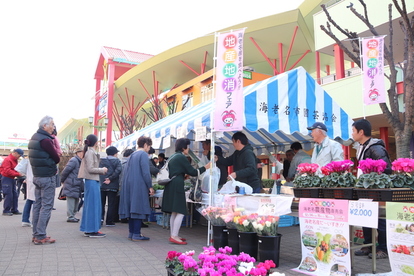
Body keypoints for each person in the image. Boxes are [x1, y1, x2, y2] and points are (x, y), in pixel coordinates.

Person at [352, 119, 391, 259]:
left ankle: (383, 248)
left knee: (380, 219)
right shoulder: (362, 147)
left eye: (353, 130)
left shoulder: (376, 148)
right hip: (364, 189)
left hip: (376, 191)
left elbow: (386, 168)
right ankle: (368, 245)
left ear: (361, 132)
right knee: (365, 216)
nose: (352, 133)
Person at [162, 138, 211, 245]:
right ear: (184, 147)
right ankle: (174, 236)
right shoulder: (181, 157)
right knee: (180, 210)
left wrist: (183, 175)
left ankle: (173, 234)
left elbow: (177, 171)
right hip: (177, 185)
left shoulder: (173, 156)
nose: (188, 149)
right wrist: (205, 167)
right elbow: (193, 172)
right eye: (188, 147)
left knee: (174, 211)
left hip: (171, 184)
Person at [28, 116, 61, 245]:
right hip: (47, 176)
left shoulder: (34, 138)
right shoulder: (46, 140)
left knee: (37, 205)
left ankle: (36, 234)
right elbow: (56, 158)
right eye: (52, 124)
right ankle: (40, 235)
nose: (53, 126)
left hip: (37, 176)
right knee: (46, 206)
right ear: (44, 126)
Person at [119, 136, 154, 241]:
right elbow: (145, 172)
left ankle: (131, 233)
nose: (149, 149)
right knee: (138, 208)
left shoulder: (132, 155)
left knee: (131, 209)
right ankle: (137, 234)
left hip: (128, 185)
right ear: (145, 145)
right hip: (138, 185)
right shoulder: (143, 154)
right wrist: (150, 186)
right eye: (149, 147)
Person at [78, 134, 108, 238]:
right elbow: (90, 168)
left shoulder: (88, 152)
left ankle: (89, 228)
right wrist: (102, 170)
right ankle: (92, 230)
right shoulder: (90, 153)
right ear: (96, 142)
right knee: (93, 206)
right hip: (92, 180)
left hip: (91, 181)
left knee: (91, 205)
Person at [99, 146, 122, 227]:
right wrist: (110, 179)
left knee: (101, 203)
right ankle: (109, 221)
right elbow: (118, 171)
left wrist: (104, 180)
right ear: (115, 153)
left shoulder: (101, 161)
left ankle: (100, 220)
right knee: (111, 204)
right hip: (113, 185)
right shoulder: (117, 161)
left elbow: (99, 171)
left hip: (102, 184)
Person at [60, 147, 84, 223]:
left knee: (76, 201)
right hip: (72, 183)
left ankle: (72, 216)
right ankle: (70, 216)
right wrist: (62, 180)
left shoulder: (79, 161)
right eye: (82, 152)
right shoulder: (74, 160)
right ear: (78, 153)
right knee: (71, 201)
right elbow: (65, 171)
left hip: (76, 184)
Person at [0, 149, 24, 215]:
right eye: (19, 155)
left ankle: (14, 209)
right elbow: (7, 171)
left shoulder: (14, 160)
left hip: (11, 178)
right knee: (8, 194)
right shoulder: (8, 160)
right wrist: (18, 174)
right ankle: (6, 210)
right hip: (6, 178)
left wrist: (18, 172)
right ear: (15, 153)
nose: (19, 157)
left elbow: (15, 169)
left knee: (14, 194)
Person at [14, 157, 35, 227]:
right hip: (36, 181)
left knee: (29, 200)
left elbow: (19, 169)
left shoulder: (27, 158)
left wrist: (26, 174)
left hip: (29, 180)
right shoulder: (41, 156)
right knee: (36, 202)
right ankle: (35, 221)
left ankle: (25, 220)